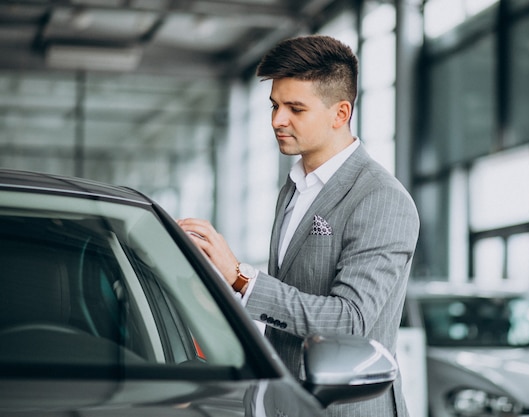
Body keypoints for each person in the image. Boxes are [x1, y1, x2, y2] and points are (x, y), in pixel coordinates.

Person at [178, 34, 420, 417]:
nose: (277, 120)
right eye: (274, 105)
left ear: (340, 114)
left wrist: (242, 279)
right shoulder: (293, 188)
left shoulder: (380, 199)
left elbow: (349, 321)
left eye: (295, 109)